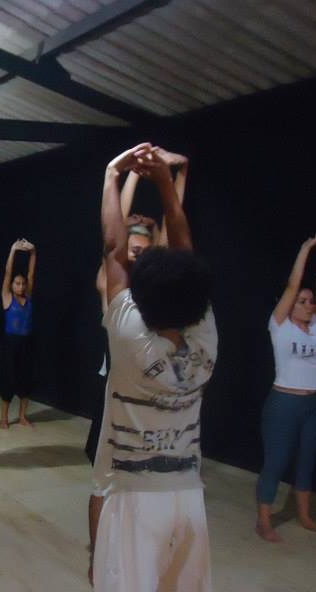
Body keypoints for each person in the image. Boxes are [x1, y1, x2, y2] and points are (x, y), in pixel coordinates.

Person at [88, 144, 216, 592]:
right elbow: (185, 254)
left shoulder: (127, 334)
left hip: (137, 500)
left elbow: (114, 249)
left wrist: (114, 174)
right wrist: (167, 183)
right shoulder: (206, 339)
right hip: (189, 496)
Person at [86, 149, 187, 462]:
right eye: (133, 248)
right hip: (119, 388)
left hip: (150, 391)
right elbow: (114, 235)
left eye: (144, 250)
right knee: (108, 464)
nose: (138, 253)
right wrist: (130, 173)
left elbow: (172, 235)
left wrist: (180, 174)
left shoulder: (153, 288)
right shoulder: (112, 285)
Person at [255, 233, 316, 542]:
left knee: (307, 461)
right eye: (302, 301)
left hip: (311, 406)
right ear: (289, 306)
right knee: (276, 462)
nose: (309, 305)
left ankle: (304, 515)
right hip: (284, 404)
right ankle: (264, 521)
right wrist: (306, 249)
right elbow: (292, 285)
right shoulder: (280, 327)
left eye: (310, 301)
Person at [0, 238, 36, 428]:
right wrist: (13, 251)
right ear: (12, 285)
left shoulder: (28, 298)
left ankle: (22, 416)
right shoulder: (7, 298)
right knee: (8, 380)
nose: (20, 286)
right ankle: (4, 417)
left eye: (23, 284)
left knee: (26, 380)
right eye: (17, 283)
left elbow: (31, 273)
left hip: (26, 344)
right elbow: (7, 273)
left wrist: (33, 253)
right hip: (10, 344)